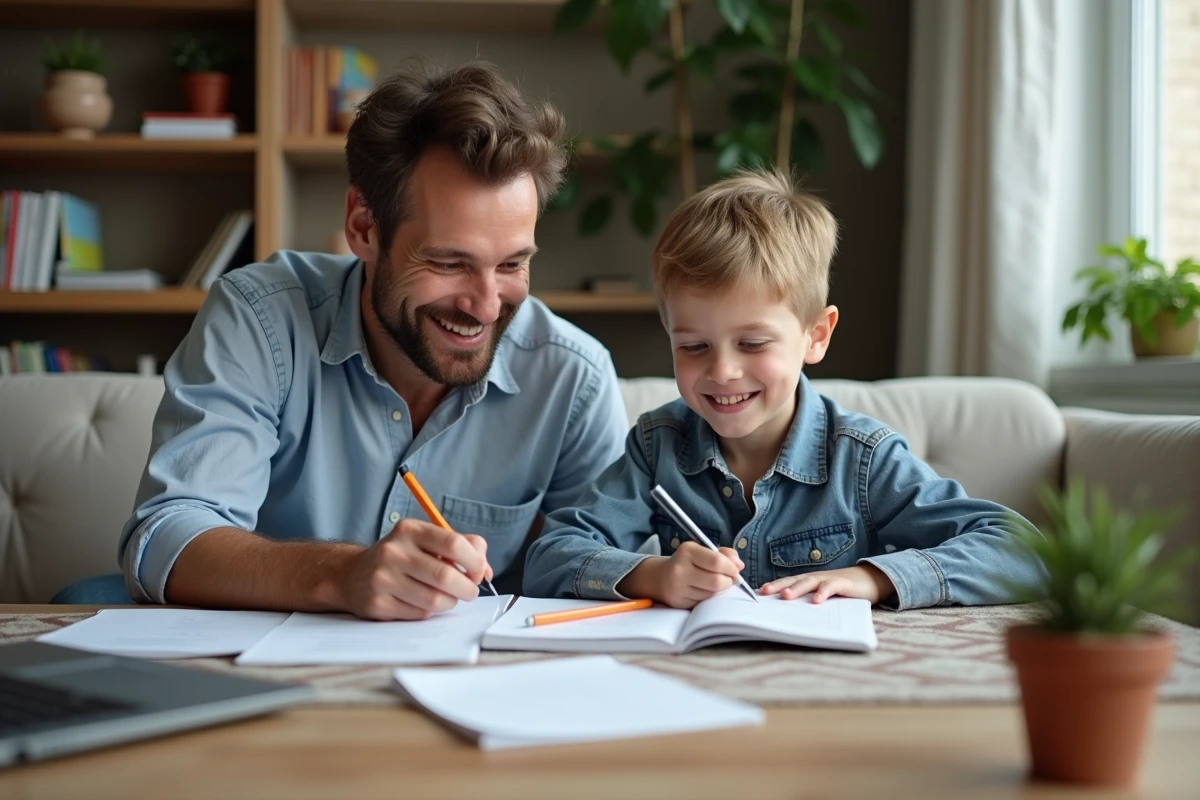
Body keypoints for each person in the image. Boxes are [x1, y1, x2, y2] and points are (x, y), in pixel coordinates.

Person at [56, 62, 630, 617]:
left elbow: (600, 564)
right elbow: (166, 537)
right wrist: (341, 575)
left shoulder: (573, 378)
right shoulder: (260, 317)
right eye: (449, 263)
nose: (483, 305)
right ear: (363, 227)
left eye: (511, 264)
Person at [523, 170, 1044, 609]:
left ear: (815, 335)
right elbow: (551, 556)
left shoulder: (862, 461)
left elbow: (1022, 552)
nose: (723, 371)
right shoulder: (656, 446)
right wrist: (655, 575)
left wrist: (874, 578)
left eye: (752, 343)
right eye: (694, 346)